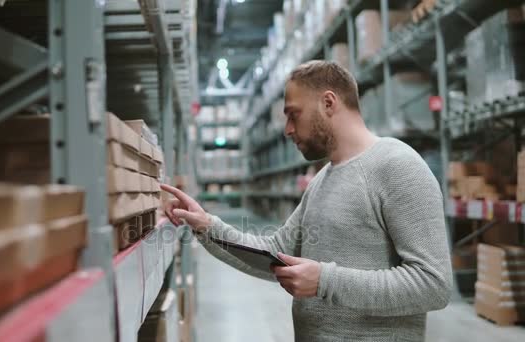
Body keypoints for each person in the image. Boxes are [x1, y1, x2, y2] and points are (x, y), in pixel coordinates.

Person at [161, 60, 452, 341]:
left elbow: (433, 285)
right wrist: (206, 225)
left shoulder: (397, 166)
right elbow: (275, 254)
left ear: (328, 103)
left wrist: (326, 281)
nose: (288, 129)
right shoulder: (322, 180)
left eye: (293, 114)